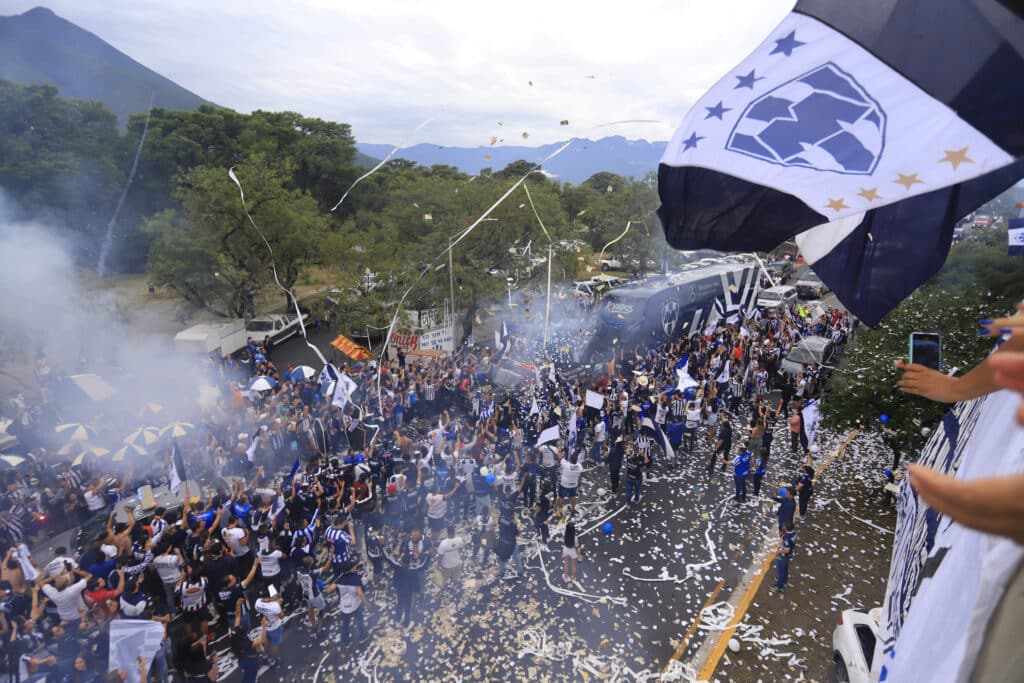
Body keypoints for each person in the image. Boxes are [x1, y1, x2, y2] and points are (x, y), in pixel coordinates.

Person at [296, 555, 336, 631]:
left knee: (310, 609)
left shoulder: (298, 570)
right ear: (310, 565)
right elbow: (326, 567)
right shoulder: (312, 573)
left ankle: (313, 625)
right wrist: (330, 557)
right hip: (315, 595)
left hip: (306, 594)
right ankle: (319, 628)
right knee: (323, 609)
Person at [336, 561, 372, 647]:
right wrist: (367, 604)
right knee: (360, 621)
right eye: (354, 567)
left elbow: (329, 589)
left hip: (344, 607)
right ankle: (363, 636)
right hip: (356, 605)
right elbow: (360, 594)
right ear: (351, 569)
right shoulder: (355, 578)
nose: (355, 568)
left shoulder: (340, 579)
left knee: (346, 624)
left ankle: (346, 642)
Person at [253, 586, 284, 664]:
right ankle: (273, 659)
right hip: (275, 627)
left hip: (265, 627)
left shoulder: (257, 602)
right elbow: (281, 616)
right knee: (275, 644)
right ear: (268, 597)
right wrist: (279, 604)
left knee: (266, 641)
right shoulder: (274, 606)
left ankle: (265, 654)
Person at [494, 512, 524, 580]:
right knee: (516, 555)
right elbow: (517, 533)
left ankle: (502, 572)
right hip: (512, 543)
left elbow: (499, 523)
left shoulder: (501, 520)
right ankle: (520, 571)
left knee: (501, 558)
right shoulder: (513, 525)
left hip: (502, 542)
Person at [436, 526, 465, 596]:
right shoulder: (459, 540)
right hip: (456, 563)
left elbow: (440, 555)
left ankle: (445, 590)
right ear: (454, 532)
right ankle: (455, 587)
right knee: (455, 577)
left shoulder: (443, 543)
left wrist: (438, 564)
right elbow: (461, 549)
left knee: (445, 578)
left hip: (446, 565)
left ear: (447, 533)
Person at [772, 522, 796, 593]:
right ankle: (785, 582)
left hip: (783, 556)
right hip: (789, 555)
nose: (783, 526)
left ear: (786, 528)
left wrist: (778, 552)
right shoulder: (794, 533)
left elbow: (787, 549)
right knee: (785, 569)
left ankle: (779, 586)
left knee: (780, 571)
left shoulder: (787, 538)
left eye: (784, 526)